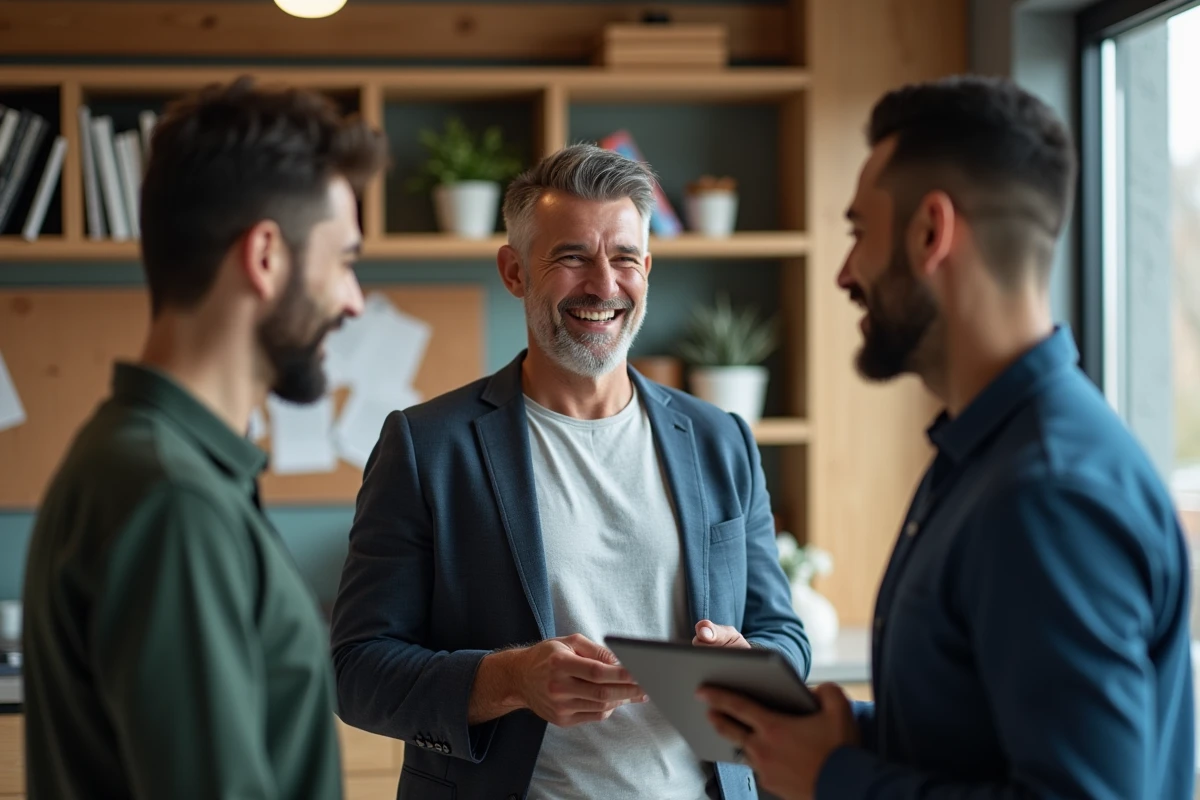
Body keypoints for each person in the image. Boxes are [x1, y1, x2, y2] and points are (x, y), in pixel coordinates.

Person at [699, 75, 1195, 799]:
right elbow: (984, 742)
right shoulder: (983, 457)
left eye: (858, 232)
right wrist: (826, 738)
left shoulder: (1049, 493)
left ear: (932, 232)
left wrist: (837, 776)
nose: (844, 272)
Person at [330, 142, 809, 799]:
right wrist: (507, 681)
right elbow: (357, 672)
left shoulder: (719, 440)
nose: (604, 286)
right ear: (514, 270)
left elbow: (782, 631)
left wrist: (751, 665)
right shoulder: (426, 446)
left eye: (625, 258)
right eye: (572, 256)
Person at [21, 77, 388, 799]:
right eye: (344, 259)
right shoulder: (173, 500)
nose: (353, 298)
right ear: (265, 257)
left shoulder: (138, 461)